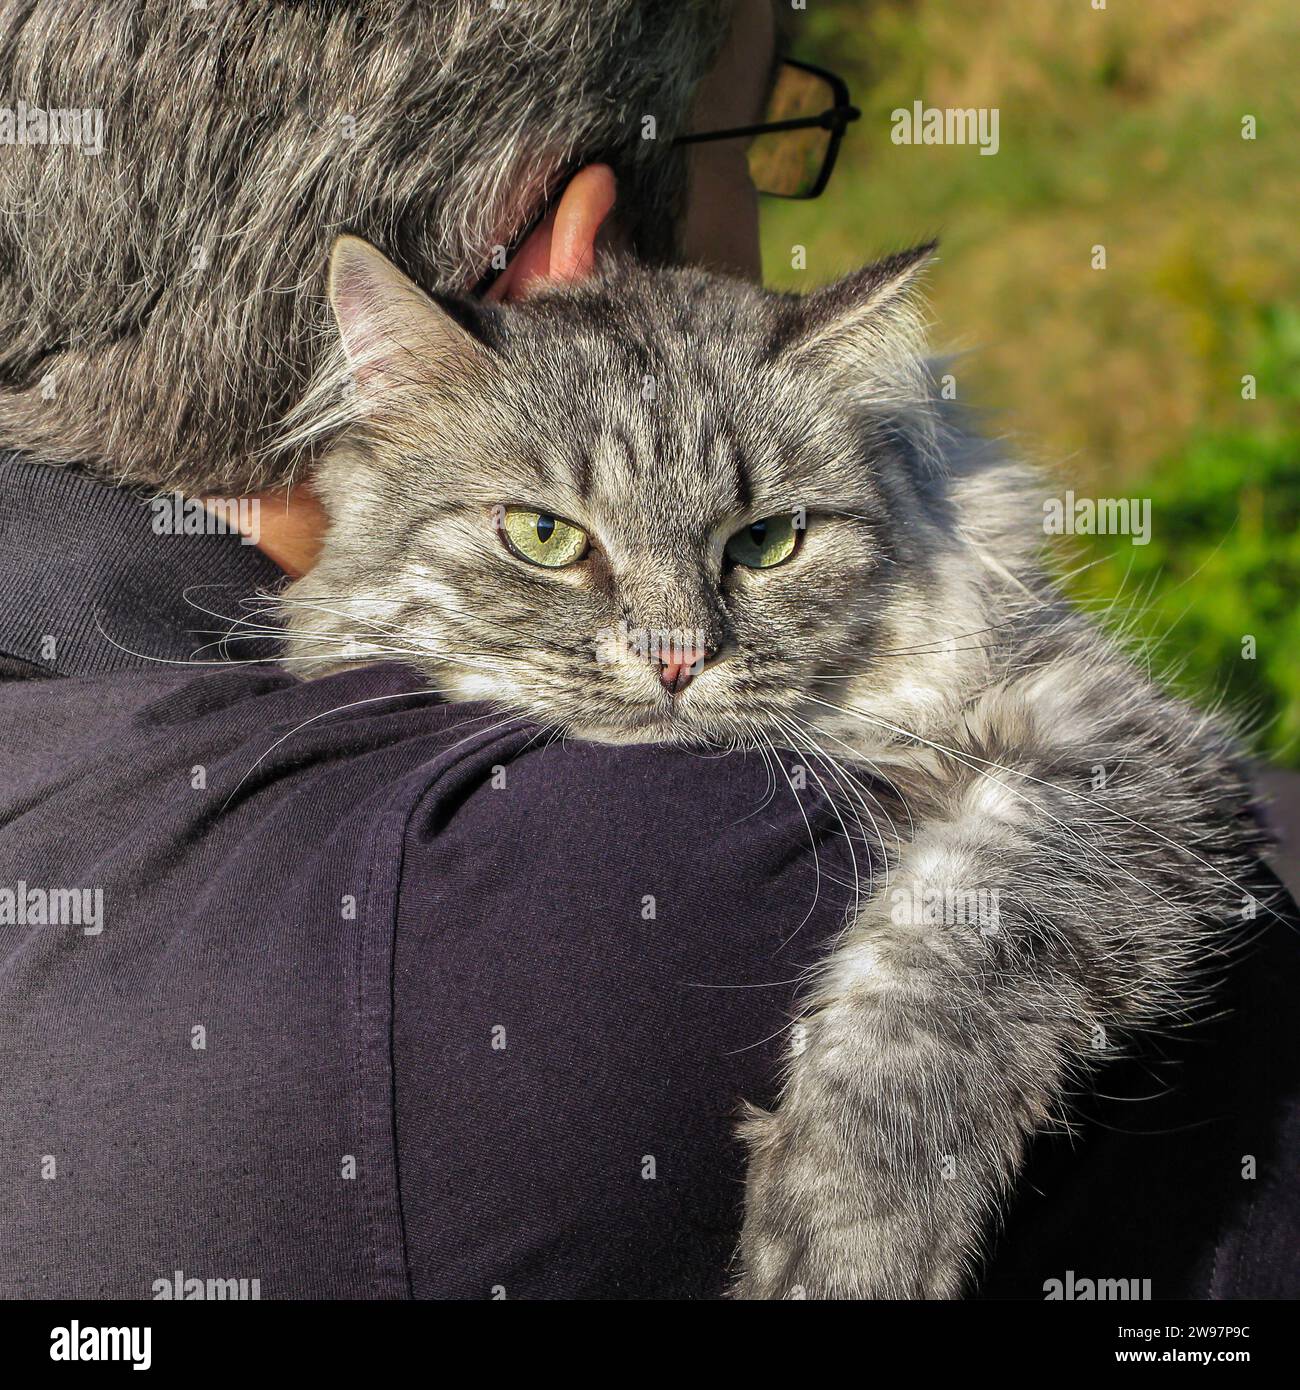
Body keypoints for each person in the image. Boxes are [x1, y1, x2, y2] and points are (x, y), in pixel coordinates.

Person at [0, 0, 1294, 1300]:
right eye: (758, 143)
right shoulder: (671, 888)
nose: (677, 649)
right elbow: (1154, 811)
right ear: (569, 263)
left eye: (762, 540)